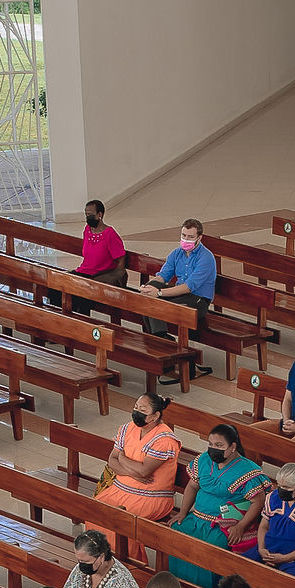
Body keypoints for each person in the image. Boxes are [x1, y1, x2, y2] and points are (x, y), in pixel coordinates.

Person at [175, 420, 269, 582]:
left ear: (233, 447)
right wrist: (183, 513)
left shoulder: (247, 470)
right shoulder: (203, 460)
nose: (213, 449)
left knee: (210, 550)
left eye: (219, 445)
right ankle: (179, 584)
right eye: (210, 444)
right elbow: (192, 486)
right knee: (177, 536)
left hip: (223, 525)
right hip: (197, 518)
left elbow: (258, 502)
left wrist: (240, 527)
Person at [102, 392, 185, 523]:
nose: (136, 412)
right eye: (136, 407)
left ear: (155, 415)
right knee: (96, 514)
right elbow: (112, 460)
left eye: (142, 410)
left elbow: (143, 471)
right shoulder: (127, 428)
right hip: (118, 490)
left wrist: (122, 457)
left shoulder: (164, 440)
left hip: (149, 499)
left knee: (119, 522)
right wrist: (133, 475)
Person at [145, 216, 220, 359]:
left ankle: (164, 345)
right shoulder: (176, 253)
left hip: (198, 300)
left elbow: (188, 287)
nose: (186, 240)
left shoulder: (206, 258)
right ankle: (162, 341)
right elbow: (162, 276)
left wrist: (159, 293)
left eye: (190, 237)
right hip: (181, 295)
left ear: (199, 238)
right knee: (147, 298)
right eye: (183, 235)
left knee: (158, 306)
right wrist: (148, 288)